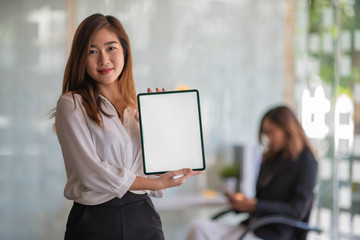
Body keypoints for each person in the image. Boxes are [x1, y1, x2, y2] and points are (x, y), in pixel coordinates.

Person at [54, 13, 202, 240]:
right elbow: (90, 173)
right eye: (92, 51)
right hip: (96, 221)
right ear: (81, 59)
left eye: (111, 48)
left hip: (143, 216)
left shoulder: (136, 109)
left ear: (125, 51)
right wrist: (154, 183)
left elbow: (155, 170)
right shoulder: (72, 104)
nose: (103, 59)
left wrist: (160, 132)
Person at [187, 106, 317, 240]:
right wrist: (243, 204)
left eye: (271, 132)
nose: (268, 138)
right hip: (251, 226)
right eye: (265, 133)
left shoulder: (306, 163)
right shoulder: (270, 160)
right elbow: (261, 199)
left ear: (287, 130)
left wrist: (255, 205)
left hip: (274, 234)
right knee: (199, 228)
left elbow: (296, 210)